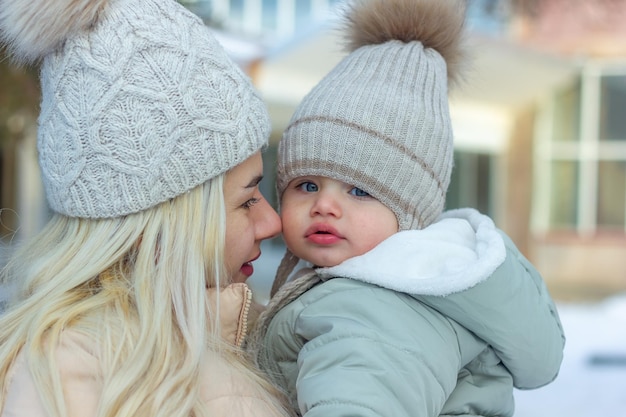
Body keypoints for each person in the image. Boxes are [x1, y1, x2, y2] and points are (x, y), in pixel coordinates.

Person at [247, 0, 566, 416]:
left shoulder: (371, 309)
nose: (324, 205)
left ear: (411, 213)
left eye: (359, 191)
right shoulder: (381, 286)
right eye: (306, 185)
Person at [0, 0, 295, 416]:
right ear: (157, 224)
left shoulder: (241, 334)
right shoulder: (71, 374)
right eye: (247, 200)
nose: (272, 221)